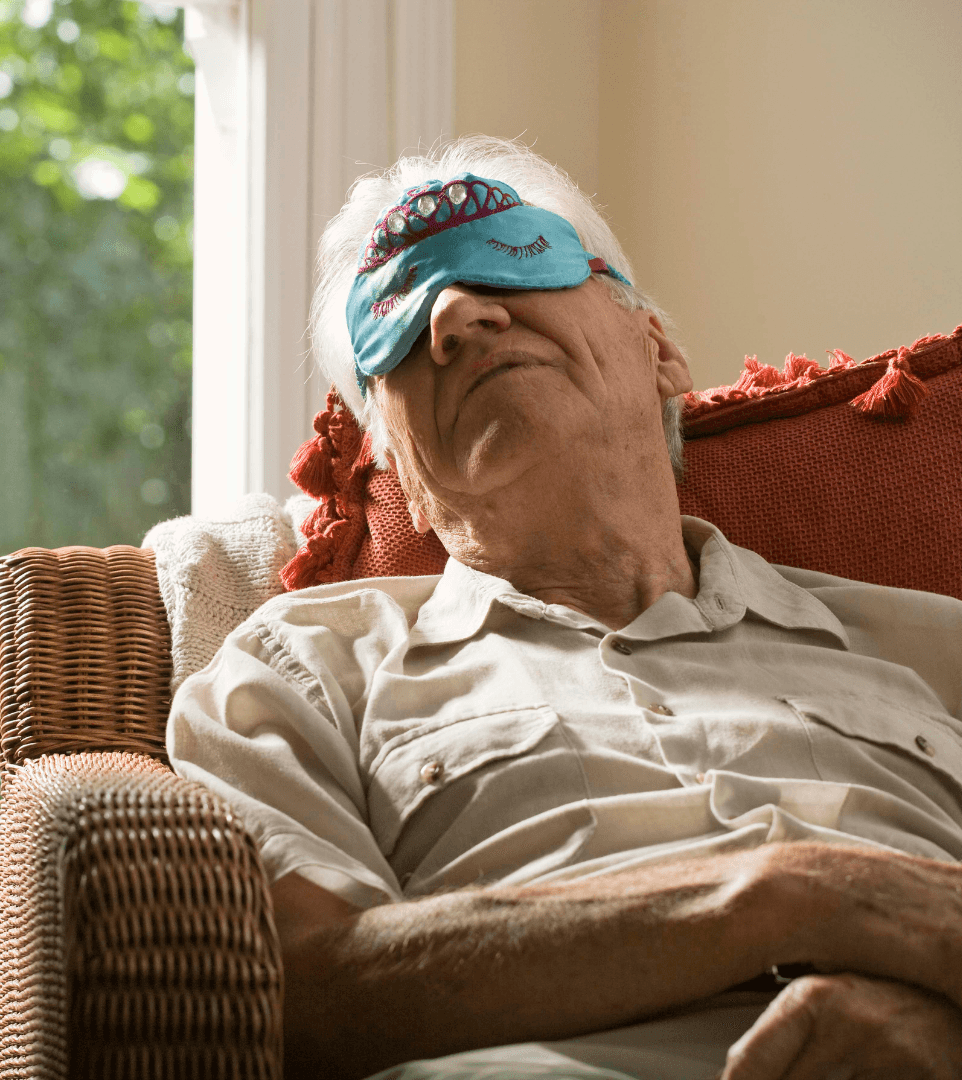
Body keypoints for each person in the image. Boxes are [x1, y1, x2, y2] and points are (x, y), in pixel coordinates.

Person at [168, 136, 962, 1080]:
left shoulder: (933, 648)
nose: (455, 314)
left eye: (511, 252)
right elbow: (305, 995)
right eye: (395, 325)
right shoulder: (298, 670)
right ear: (398, 474)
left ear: (656, 347)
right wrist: (790, 895)